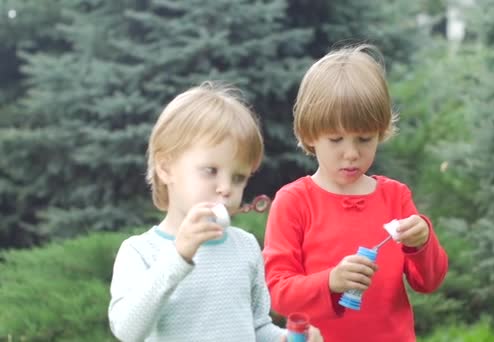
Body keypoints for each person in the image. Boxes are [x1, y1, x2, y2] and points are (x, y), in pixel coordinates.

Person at [108, 82, 323, 342]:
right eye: (210, 171)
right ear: (166, 169)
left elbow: (256, 328)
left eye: (238, 177)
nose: (225, 188)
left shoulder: (245, 247)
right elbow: (127, 331)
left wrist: (285, 338)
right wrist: (178, 256)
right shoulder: (140, 252)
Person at [262, 44, 449, 342]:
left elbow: (429, 281)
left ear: (381, 132)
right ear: (310, 135)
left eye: (364, 139)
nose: (351, 154)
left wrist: (422, 242)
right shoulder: (294, 202)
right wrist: (330, 282)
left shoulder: (395, 197)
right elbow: (276, 292)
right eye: (336, 139)